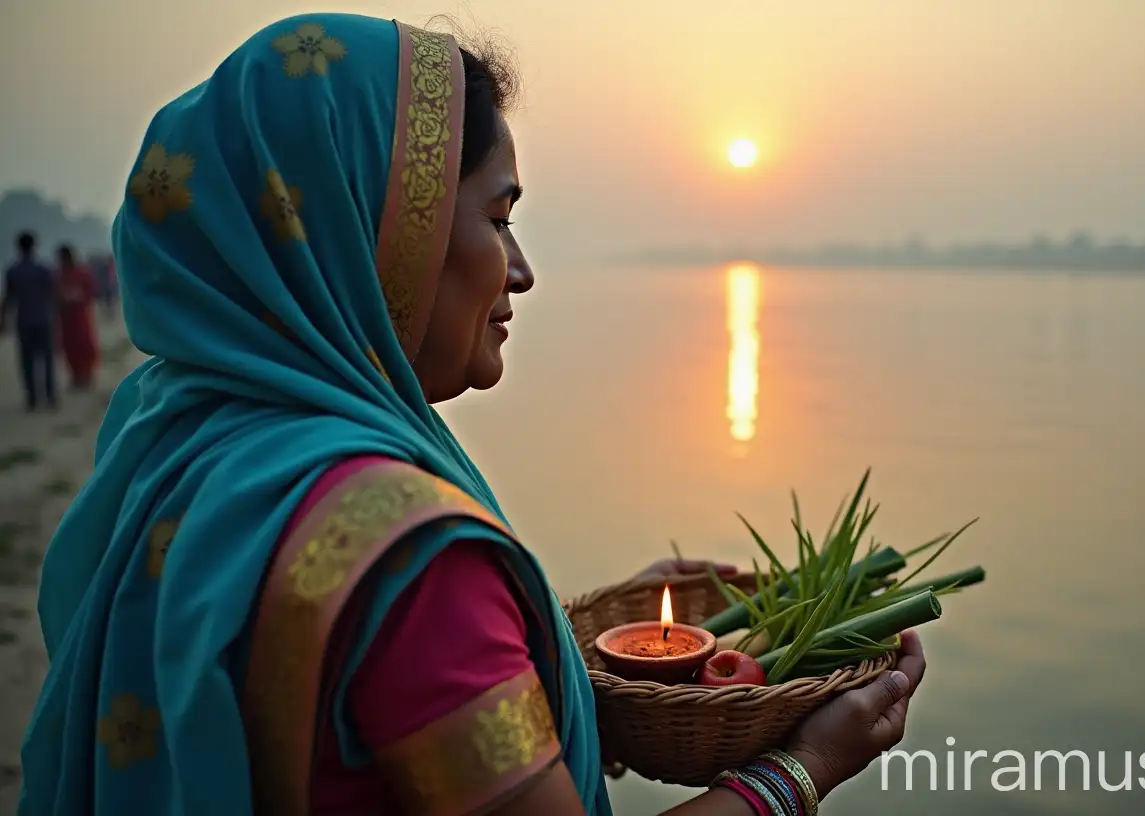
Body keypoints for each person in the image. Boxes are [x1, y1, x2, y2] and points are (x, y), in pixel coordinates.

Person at [19, 14, 927, 816]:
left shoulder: (174, 439)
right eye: (498, 218)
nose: (521, 270)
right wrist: (802, 769)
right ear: (381, 232)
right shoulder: (409, 564)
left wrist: (565, 652)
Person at [0, 230, 58, 411]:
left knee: (27, 361)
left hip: (24, 321)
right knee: (47, 360)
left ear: (18, 247)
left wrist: (3, 320)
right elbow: (53, 294)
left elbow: (8, 298)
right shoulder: (44, 269)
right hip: (44, 319)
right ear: (34, 245)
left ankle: (32, 398)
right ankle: (50, 396)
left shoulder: (12, 270)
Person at [54, 244, 100, 389]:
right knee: (69, 347)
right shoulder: (58, 275)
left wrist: (75, 297)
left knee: (85, 346)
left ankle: (86, 375)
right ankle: (76, 376)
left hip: (80, 316)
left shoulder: (82, 273)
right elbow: (54, 295)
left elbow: (90, 292)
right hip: (65, 318)